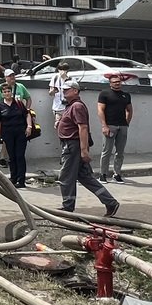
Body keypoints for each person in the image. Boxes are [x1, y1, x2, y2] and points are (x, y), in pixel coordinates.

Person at [55, 83, 119, 216]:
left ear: (75, 91)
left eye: (67, 90)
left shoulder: (77, 106)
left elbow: (82, 128)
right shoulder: (71, 106)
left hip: (73, 146)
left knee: (65, 177)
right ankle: (110, 202)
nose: (64, 92)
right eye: (63, 90)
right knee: (85, 177)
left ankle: (68, 206)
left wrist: (84, 150)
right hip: (72, 146)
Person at [0, 81, 36, 190]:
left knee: (19, 156)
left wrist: (29, 127)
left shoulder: (19, 103)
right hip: (7, 133)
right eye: (5, 92)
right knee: (11, 157)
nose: (7, 93)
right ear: (2, 94)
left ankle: (21, 180)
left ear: (11, 92)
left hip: (21, 132)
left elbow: (27, 114)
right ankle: (13, 177)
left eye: (8, 91)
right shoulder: (0, 106)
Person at [96, 74, 134, 183]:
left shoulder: (126, 95)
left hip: (122, 126)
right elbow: (100, 110)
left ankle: (117, 174)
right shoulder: (104, 94)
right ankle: (103, 174)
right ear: (110, 83)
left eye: (118, 81)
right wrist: (104, 125)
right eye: (114, 82)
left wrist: (126, 123)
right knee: (106, 151)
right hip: (110, 126)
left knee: (120, 152)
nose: (117, 83)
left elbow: (129, 110)